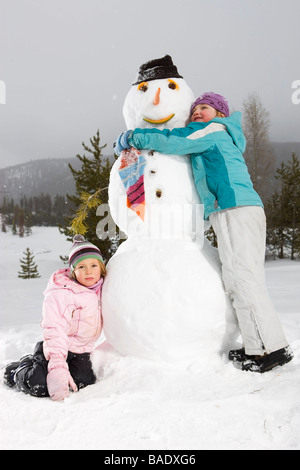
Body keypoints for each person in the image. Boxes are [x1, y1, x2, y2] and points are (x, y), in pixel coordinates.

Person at [114, 92, 293, 373]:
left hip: (235, 208)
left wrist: (134, 137)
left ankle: (267, 351)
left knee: (243, 278)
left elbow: (176, 141)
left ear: (220, 113)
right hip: (238, 209)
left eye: (205, 108)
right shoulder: (219, 132)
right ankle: (264, 345)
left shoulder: (214, 130)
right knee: (242, 277)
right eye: (194, 109)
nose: (197, 112)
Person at [3, 235, 106, 400]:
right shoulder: (62, 292)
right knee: (39, 384)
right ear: (73, 271)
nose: (89, 271)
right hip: (57, 345)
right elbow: (55, 328)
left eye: (93, 265)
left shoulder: (102, 289)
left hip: (81, 349)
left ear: (101, 267)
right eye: (81, 266)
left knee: (83, 382)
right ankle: (18, 370)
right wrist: (58, 366)